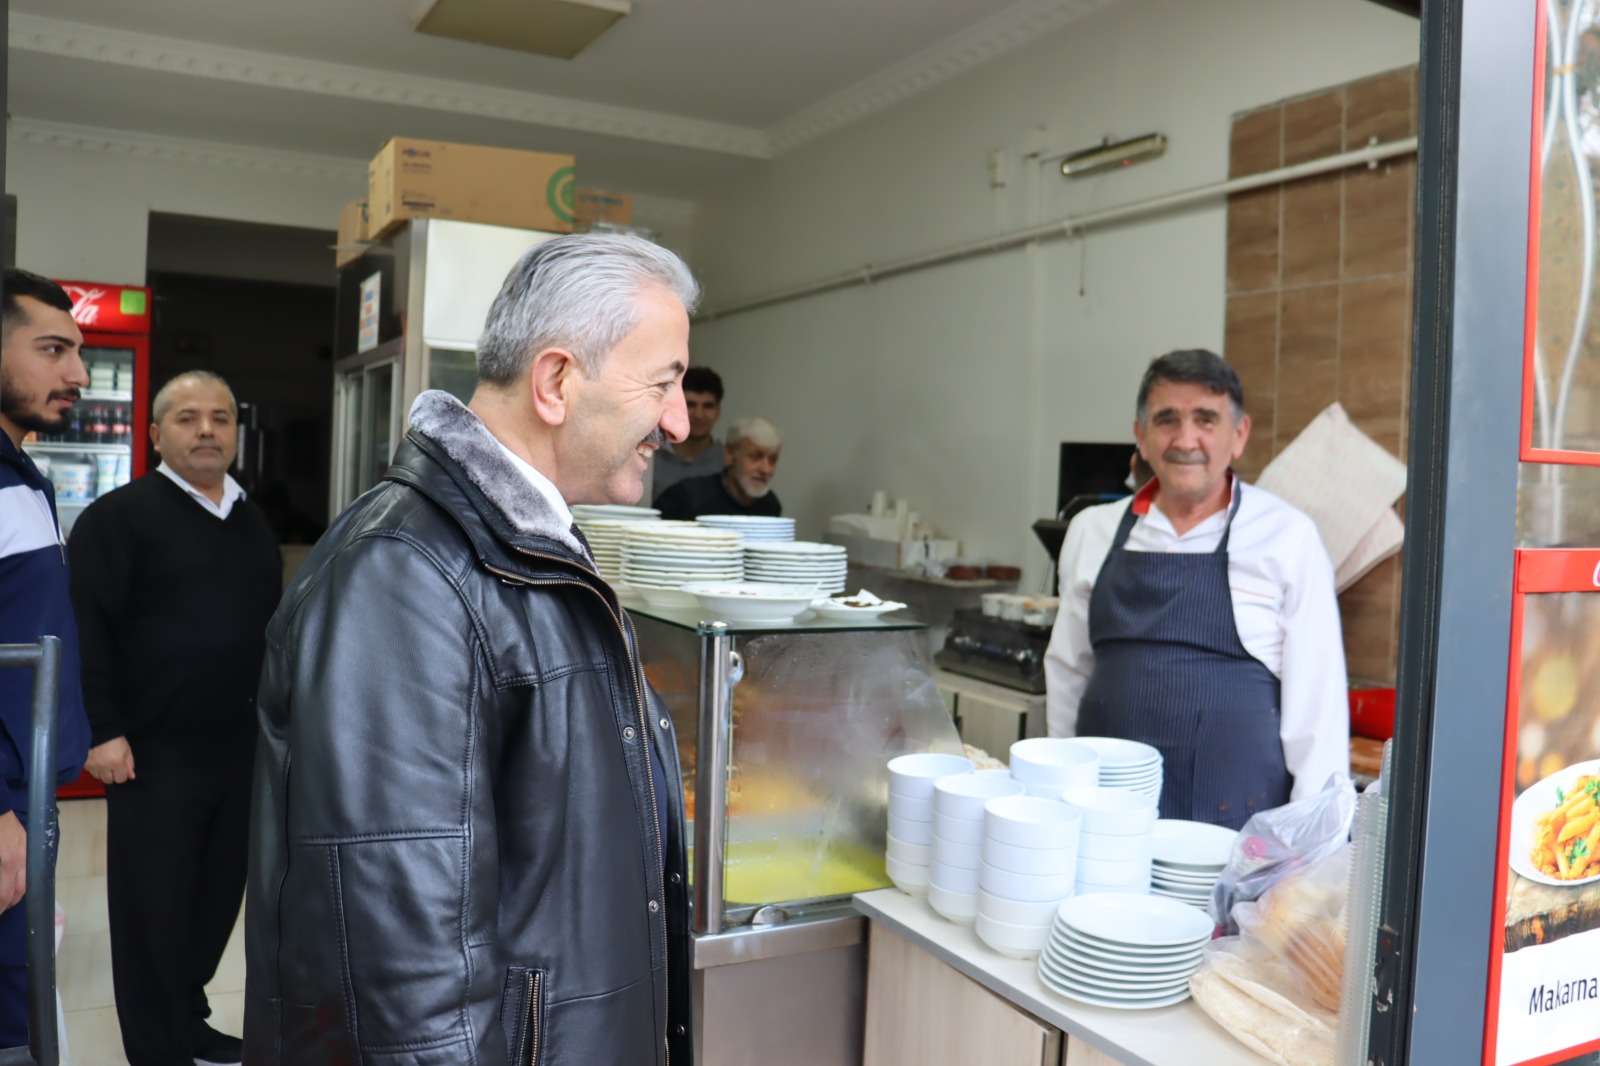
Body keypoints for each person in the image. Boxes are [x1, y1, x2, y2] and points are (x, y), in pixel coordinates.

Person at [244, 234, 695, 1064]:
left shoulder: (531, 542)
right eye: (664, 383)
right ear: (556, 381)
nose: (679, 420)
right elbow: (399, 978)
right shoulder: (404, 576)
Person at [69, 371, 281, 1066]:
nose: (207, 431)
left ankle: (188, 1020)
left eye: (220, 417)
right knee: (153, 915)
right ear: (157, 434)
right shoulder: (119, 517)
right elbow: (86, 630)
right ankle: (157, 1049)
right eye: (188, 418)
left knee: (215, 904)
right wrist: (101, 728)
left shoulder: (252, 521)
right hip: (153, 756)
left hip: (239, 752)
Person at [1044, 349, 1348, 830]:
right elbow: (1066, 670)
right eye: (1167, 420)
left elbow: (1318, 705)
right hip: (1101, 821)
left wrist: (1304, 851)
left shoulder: (1288, 536)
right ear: (1141, 437)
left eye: (1205, 420)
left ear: (1239, 435)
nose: (1186, 440)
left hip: (1237, 826)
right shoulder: (1091, 531)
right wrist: (1056, 792)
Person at [0, 268, 92, 1048]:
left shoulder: (23, 477)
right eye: (52, 349)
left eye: (80, 352)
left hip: (26, 799)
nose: (78, 374)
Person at [653, 415, 782, 521]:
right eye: (755, 457)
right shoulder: (685, 497)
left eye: (773, 460)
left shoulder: (770, 505)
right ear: (730, 454)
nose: (766, 469)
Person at [650, 365, 725, 501]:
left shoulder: (728, 461)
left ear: (718, 412)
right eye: (690, 405)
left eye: (707, 406)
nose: (699, 414)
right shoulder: (650, 457)